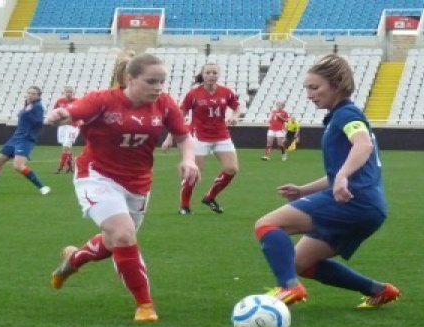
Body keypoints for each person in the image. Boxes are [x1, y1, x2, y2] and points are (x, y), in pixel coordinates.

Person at [44, 53, 200, 322]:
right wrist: (62, 114)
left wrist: (188, 160)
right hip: (97, 176)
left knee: (112, 242)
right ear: (130, 78)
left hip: (138, 182)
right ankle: (145, 305)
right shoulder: (103, 100)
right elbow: (74, 111)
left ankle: (73, 260)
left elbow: (184, 137)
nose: (158, 87)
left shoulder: (164, 104)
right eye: (151, 81)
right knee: (124, 235)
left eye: (162, 81)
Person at [255, 54, 400, 309]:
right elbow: (340, 171)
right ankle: (378, 290)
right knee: (300, 263)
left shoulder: (346, 114)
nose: (309, 94)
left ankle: (288, 288)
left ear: (337, 84)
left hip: (353, 202)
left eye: (314, 87)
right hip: (370, 208)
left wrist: (342, 177)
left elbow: (363, 144)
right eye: (307, 88)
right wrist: (304, 190)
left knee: (267, 225)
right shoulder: (341, 116)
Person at [161, 62, 241, 215]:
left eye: (214, 73)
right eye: (208, 73)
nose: (211, 76)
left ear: (219, 75)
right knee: (194, 173)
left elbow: (237, 107)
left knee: (231, 169)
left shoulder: (226, 92)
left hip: (222, 135)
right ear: (203, 75)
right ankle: (184, 206)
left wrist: (235, 116)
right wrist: (170, 137)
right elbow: (179, 115)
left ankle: (210, 197)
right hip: (200, 137)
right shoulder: (193, 94)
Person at [53, 86, 81, 174]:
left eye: (70, 92)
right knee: (66, 148)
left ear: (73, 92)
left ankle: (60, 168)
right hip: (62, 126)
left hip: (73, 126)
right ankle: (71, 167)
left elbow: (81, 112)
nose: (69, 93)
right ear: (64, 92)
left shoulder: (77, 101)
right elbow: (55, 111)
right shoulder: (60, 101)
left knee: (66, 147)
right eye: (67, 92)